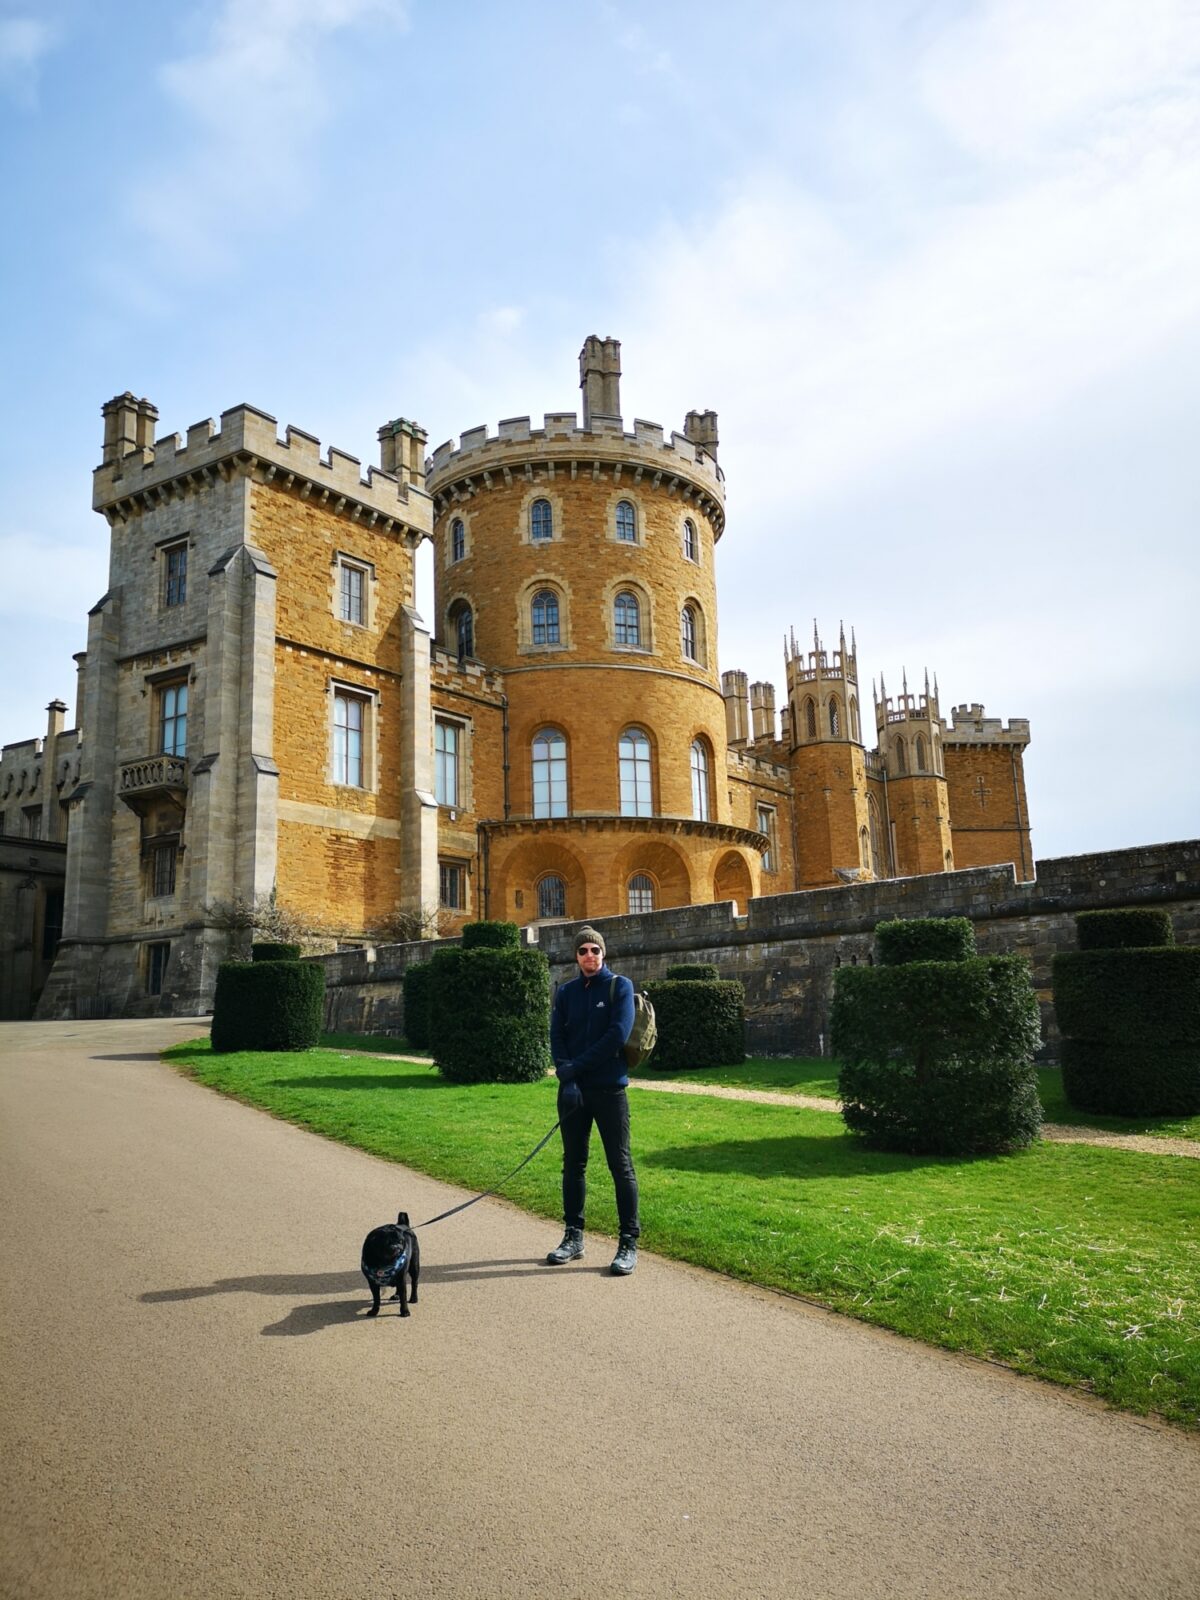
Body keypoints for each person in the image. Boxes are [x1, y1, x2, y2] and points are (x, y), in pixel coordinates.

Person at [545, 925, 640, 1275]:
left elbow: (617, 1036)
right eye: (584, 950)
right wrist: (565, 1072)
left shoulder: (619, 987)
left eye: (595, 950)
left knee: (620, 1164)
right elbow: (557, 1035)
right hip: (573, 1092)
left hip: (608, 1089)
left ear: (604, 954)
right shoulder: (566, 992)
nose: (590, 956)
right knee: (574, 1164)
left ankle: (628, 1241)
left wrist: (573, 1070)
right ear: (576, 955)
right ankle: (574, 1236)